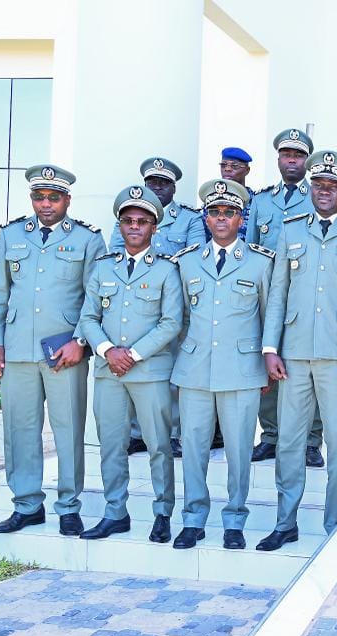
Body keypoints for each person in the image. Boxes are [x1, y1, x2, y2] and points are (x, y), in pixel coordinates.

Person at [0, 164, 106, 536]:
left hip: (64, 351)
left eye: (54, 197)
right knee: (19, 428)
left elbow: (96, 299)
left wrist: (82, 343)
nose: (46, 204)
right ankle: (26, 505)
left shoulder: (88, 240)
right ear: (32, 199)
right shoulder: (10, 235)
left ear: (67, 199)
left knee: (68, 428)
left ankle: (69, 506)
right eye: (39, 197)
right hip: (18, 348)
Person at [259, 151, 337, 549]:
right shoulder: (291, 230)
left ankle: (335, 523)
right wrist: (271, 347)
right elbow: (277, 295)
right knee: (289, 442)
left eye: (333, 186)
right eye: (318, 185)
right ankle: (285, 521)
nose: (324, 192)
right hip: (294, 354)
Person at [169, 179, 273, 550]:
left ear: (241, 218)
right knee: (192, 447)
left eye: (229, 212)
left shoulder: (261, 263)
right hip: (195, 369)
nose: (222, 218)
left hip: (242, 370)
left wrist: (266, 359)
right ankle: (193, 519)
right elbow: (178, 318)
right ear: (206, 218)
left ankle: (234, 519)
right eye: (215, 212)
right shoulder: (185, 262)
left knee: (239, 450)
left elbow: (268, 316)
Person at [77, 185, 183, 542]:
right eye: (128, 221)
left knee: (158, 445)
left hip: (149, 371)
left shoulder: (168, 270)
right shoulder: (104, 268)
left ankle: (162, 513)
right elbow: (88, 317)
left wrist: (132, 355)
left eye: (142, 221)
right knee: (111, 444)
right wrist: (109, 351)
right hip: (109, 372)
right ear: (120, 226)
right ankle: (114, 512)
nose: (134, 227)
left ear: (154, 227)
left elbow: (171, 323)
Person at [112, 157, 203, 459]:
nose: (157, 188)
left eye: (163, 183)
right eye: (152, 182)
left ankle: (174, 433)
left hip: (175, 302)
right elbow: (116, 255)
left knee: (174, 370)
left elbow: (193, 258)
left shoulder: (189, 219)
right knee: (140, 368)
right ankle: (138, 433)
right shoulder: (127, 218)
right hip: (136, 302)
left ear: (173, 187)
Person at [247, 128, 323, 467]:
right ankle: (272, 435)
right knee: (266, 358)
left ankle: (310, 439)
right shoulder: (261, 201)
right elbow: (249, 249)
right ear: (278, 158)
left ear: (306, 161)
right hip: (266, 293)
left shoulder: (320, 196)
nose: (291, 160)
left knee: (309, 364)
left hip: (305, 289)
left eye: (298, 155)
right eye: (286, 154)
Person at [219, 147, 254, 241]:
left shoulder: (257, 202)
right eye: (223, 165)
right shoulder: (212, 201)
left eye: (234, 166)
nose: (227, 169)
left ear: (247, 170)